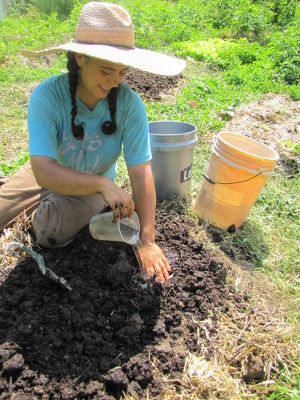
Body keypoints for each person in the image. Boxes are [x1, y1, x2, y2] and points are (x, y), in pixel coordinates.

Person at [0, 2, 186, 282]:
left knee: (51, 231)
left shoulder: (130, 106)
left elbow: (140, 172)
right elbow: (42, 169)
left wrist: (147, 241)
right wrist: (104, 185)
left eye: (122, 72)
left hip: (90, 188)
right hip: (51, 172)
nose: (114, 81)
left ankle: (42, 208)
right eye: (105, 70)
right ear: (80, 59)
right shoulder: (47, 96)